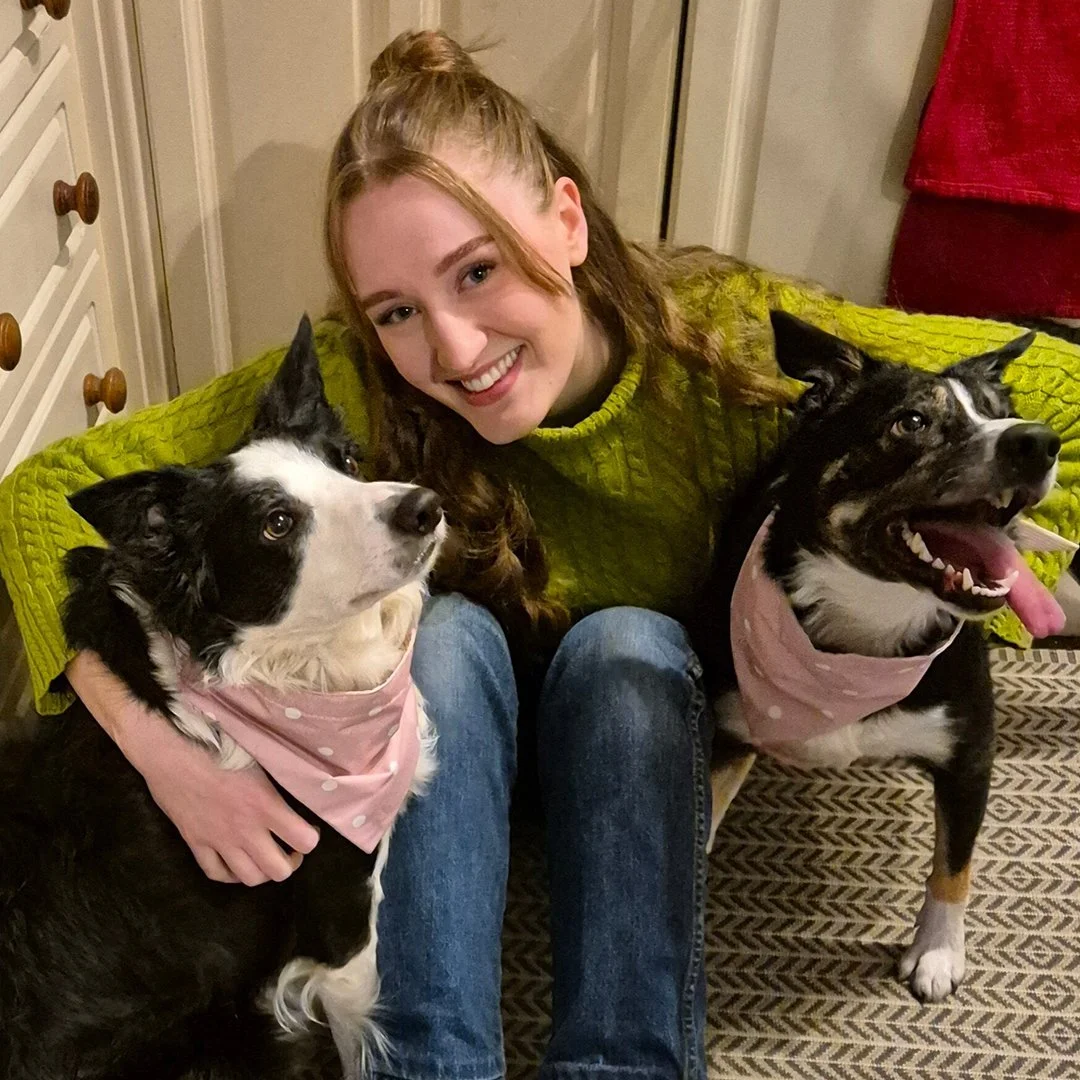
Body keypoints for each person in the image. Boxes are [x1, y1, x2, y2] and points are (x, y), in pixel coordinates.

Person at [3, 28, 1080, 1080]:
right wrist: (168, 756)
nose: (455, 349)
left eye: (477, 272)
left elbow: (1053, 399)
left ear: (565, 219)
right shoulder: (356, 371)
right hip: (452, 758)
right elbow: (42, 495)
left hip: (641, 738)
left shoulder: (728, 342)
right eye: (397, 309)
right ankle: (430, 1061)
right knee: (452, 631)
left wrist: (984, 565)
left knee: (628, 644)